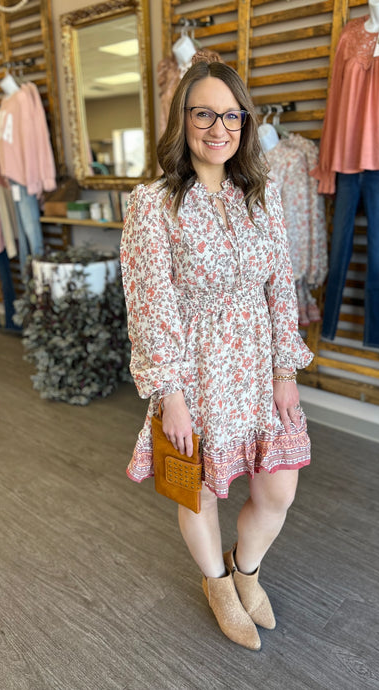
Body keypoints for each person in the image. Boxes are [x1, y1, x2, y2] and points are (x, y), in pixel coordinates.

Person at [120, 58, 313, 651]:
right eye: (204, 112)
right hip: (195, 375)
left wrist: (285, 372)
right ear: (183, 118)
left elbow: (281, 285)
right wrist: (169, 398)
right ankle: (217, 583)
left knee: (278, 489)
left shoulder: (263, 197)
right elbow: (150, 305)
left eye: (231, 115)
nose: (218, 127)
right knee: (197, 489)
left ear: (245, 124)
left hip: (257, 371)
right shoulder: (153, 204)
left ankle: (245, 567)